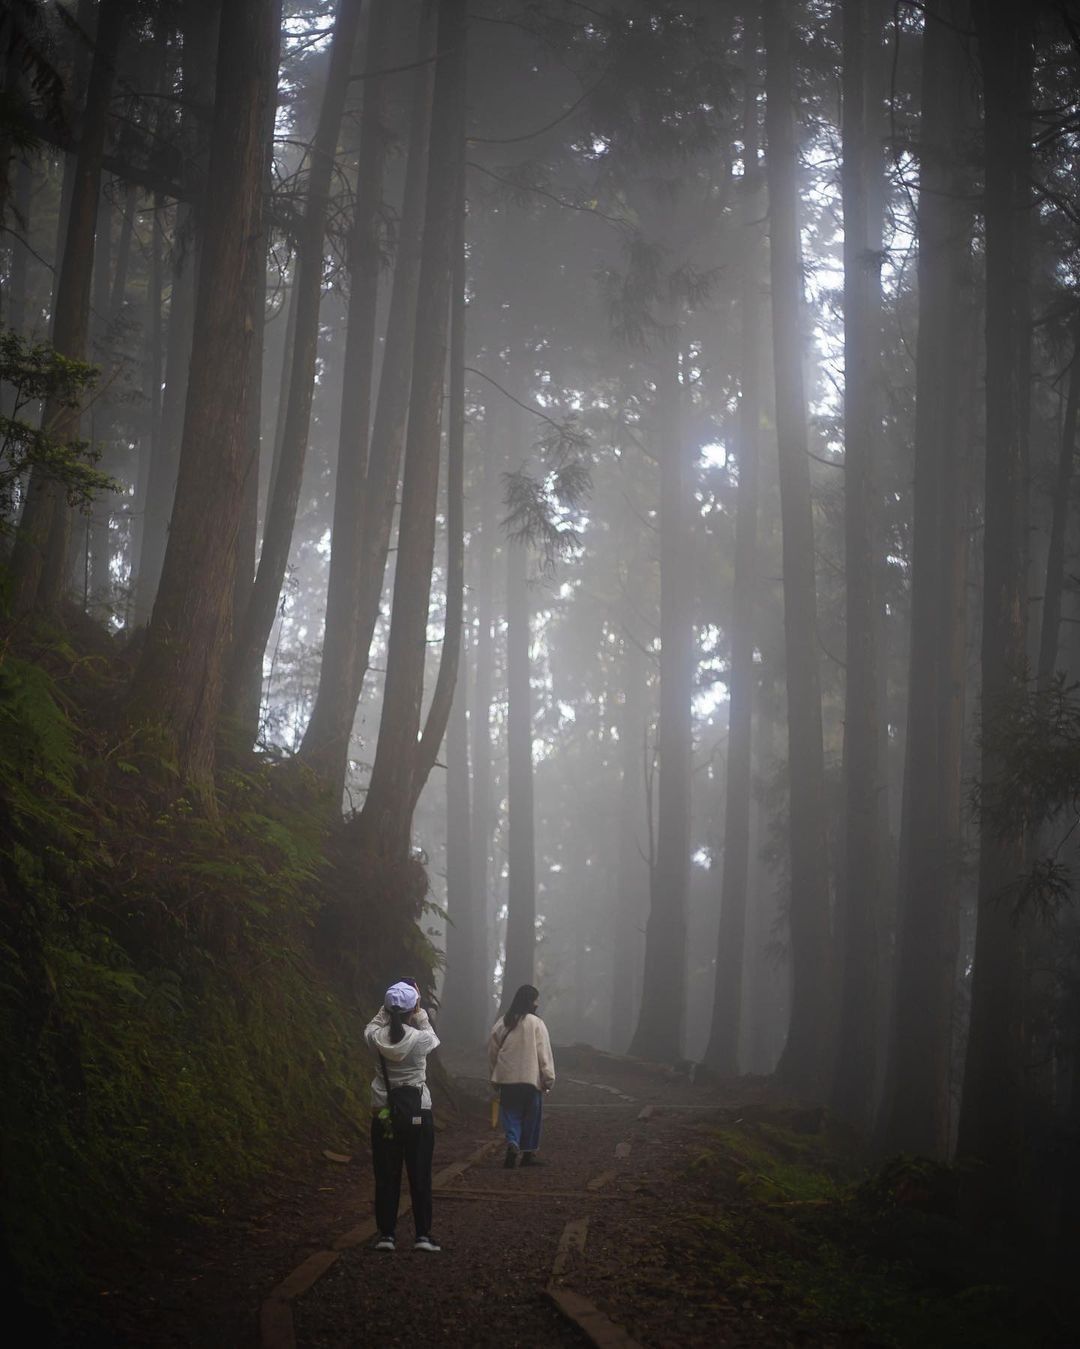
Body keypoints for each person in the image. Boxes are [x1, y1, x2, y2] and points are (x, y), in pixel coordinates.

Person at [364, 980, 441, 1252]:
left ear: (386, 1009)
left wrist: (387, 1008)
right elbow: (433, 1036)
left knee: (386, 1173)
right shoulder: (421, 1040)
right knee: (420, 1174)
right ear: (413, 1009)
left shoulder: (374, 1038)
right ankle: (422, 1236)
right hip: (418, 1111)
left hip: (385, 1111)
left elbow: (373, 1024)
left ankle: (386, 1235)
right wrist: (420, 1012)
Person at [488, 984, 555, 1169]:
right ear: (531, 1002)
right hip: (531, 1079)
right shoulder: (537, 1023)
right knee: (532, 1116)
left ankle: (513, 1142)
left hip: (507, 1078)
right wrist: (548, 1079)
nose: (537, 1003)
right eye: (535, 999)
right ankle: (528, 1153)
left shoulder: (503, 1022)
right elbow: (544, 1054)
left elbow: (493, 1052)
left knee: (510, 1113)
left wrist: (495, 1075)